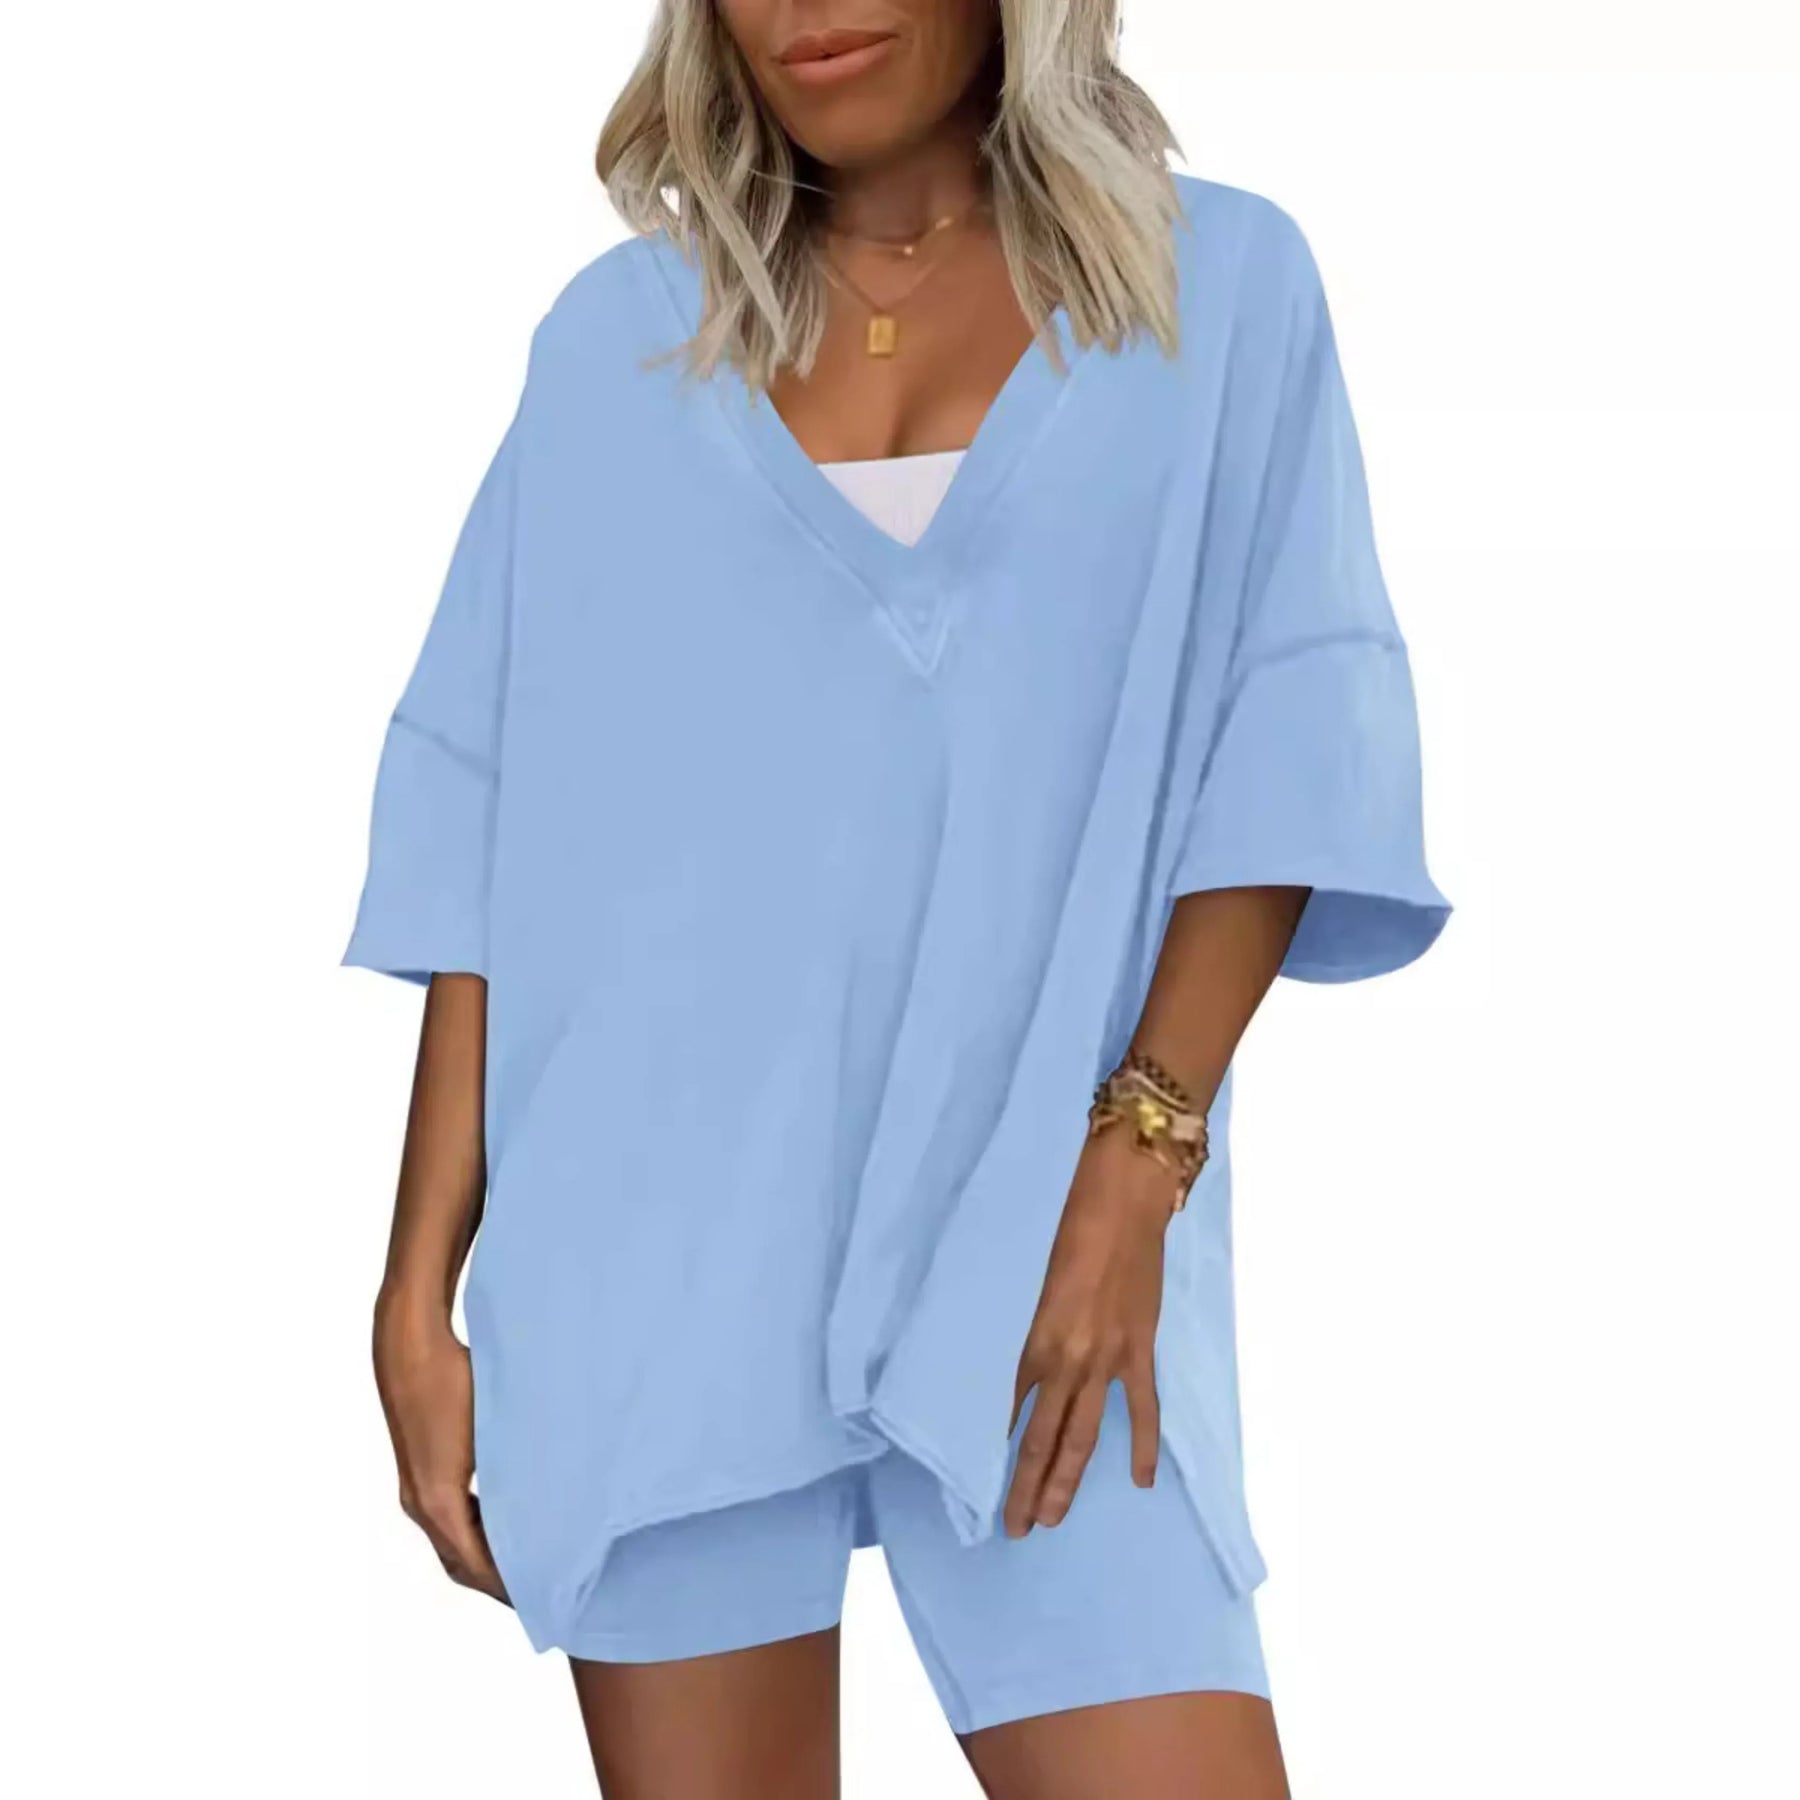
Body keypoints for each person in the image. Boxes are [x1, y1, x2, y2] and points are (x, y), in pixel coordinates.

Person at [342, 3, 1451, 1794]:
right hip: (653, 1262)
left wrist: (1140, 1156)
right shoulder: (615, 347)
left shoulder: (1218, 292)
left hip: (1042, 1253)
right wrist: (417, 1288)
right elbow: (491, 815)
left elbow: (1288, 741)